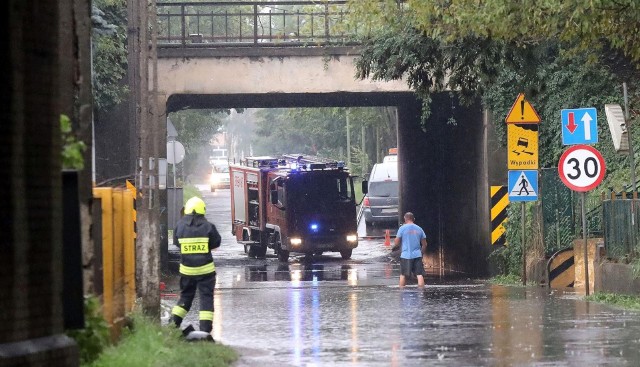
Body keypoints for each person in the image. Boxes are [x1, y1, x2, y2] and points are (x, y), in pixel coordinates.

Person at [171, 196, 221, 335]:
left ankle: (173, 324)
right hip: (206, 271)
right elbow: (216, 243)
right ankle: (205, 331)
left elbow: (177, 243)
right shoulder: (208, 227)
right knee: (206, 299)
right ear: (202, 210)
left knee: (185, 297)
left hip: (187, 271)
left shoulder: (179, 226)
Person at [393, 212, 427, 288]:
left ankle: (401, 291)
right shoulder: (419, 229)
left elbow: (396, 243)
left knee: (403, 275)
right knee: (419, 274)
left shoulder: (402, 228)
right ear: (413, 219)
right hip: (417, 255)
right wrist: (421, 254)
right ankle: (421, 292)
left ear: (405, 219)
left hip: (405, 255)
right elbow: (424, 244)